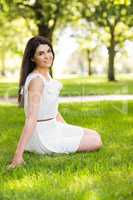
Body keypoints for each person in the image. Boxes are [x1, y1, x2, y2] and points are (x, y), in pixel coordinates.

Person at [7, 36, 102, 169]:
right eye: (41, 53)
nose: (47, 56)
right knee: (96, 141)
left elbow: (52, 110)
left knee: (94, 134)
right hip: (43, 137)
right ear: (32, 58)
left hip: (53, 128)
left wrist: (67, 129)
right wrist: (18, 156)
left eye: (49, 51)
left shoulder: (47, 76)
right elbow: (31, 118)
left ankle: (61, 138)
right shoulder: (37, 81)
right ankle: (33, 149)